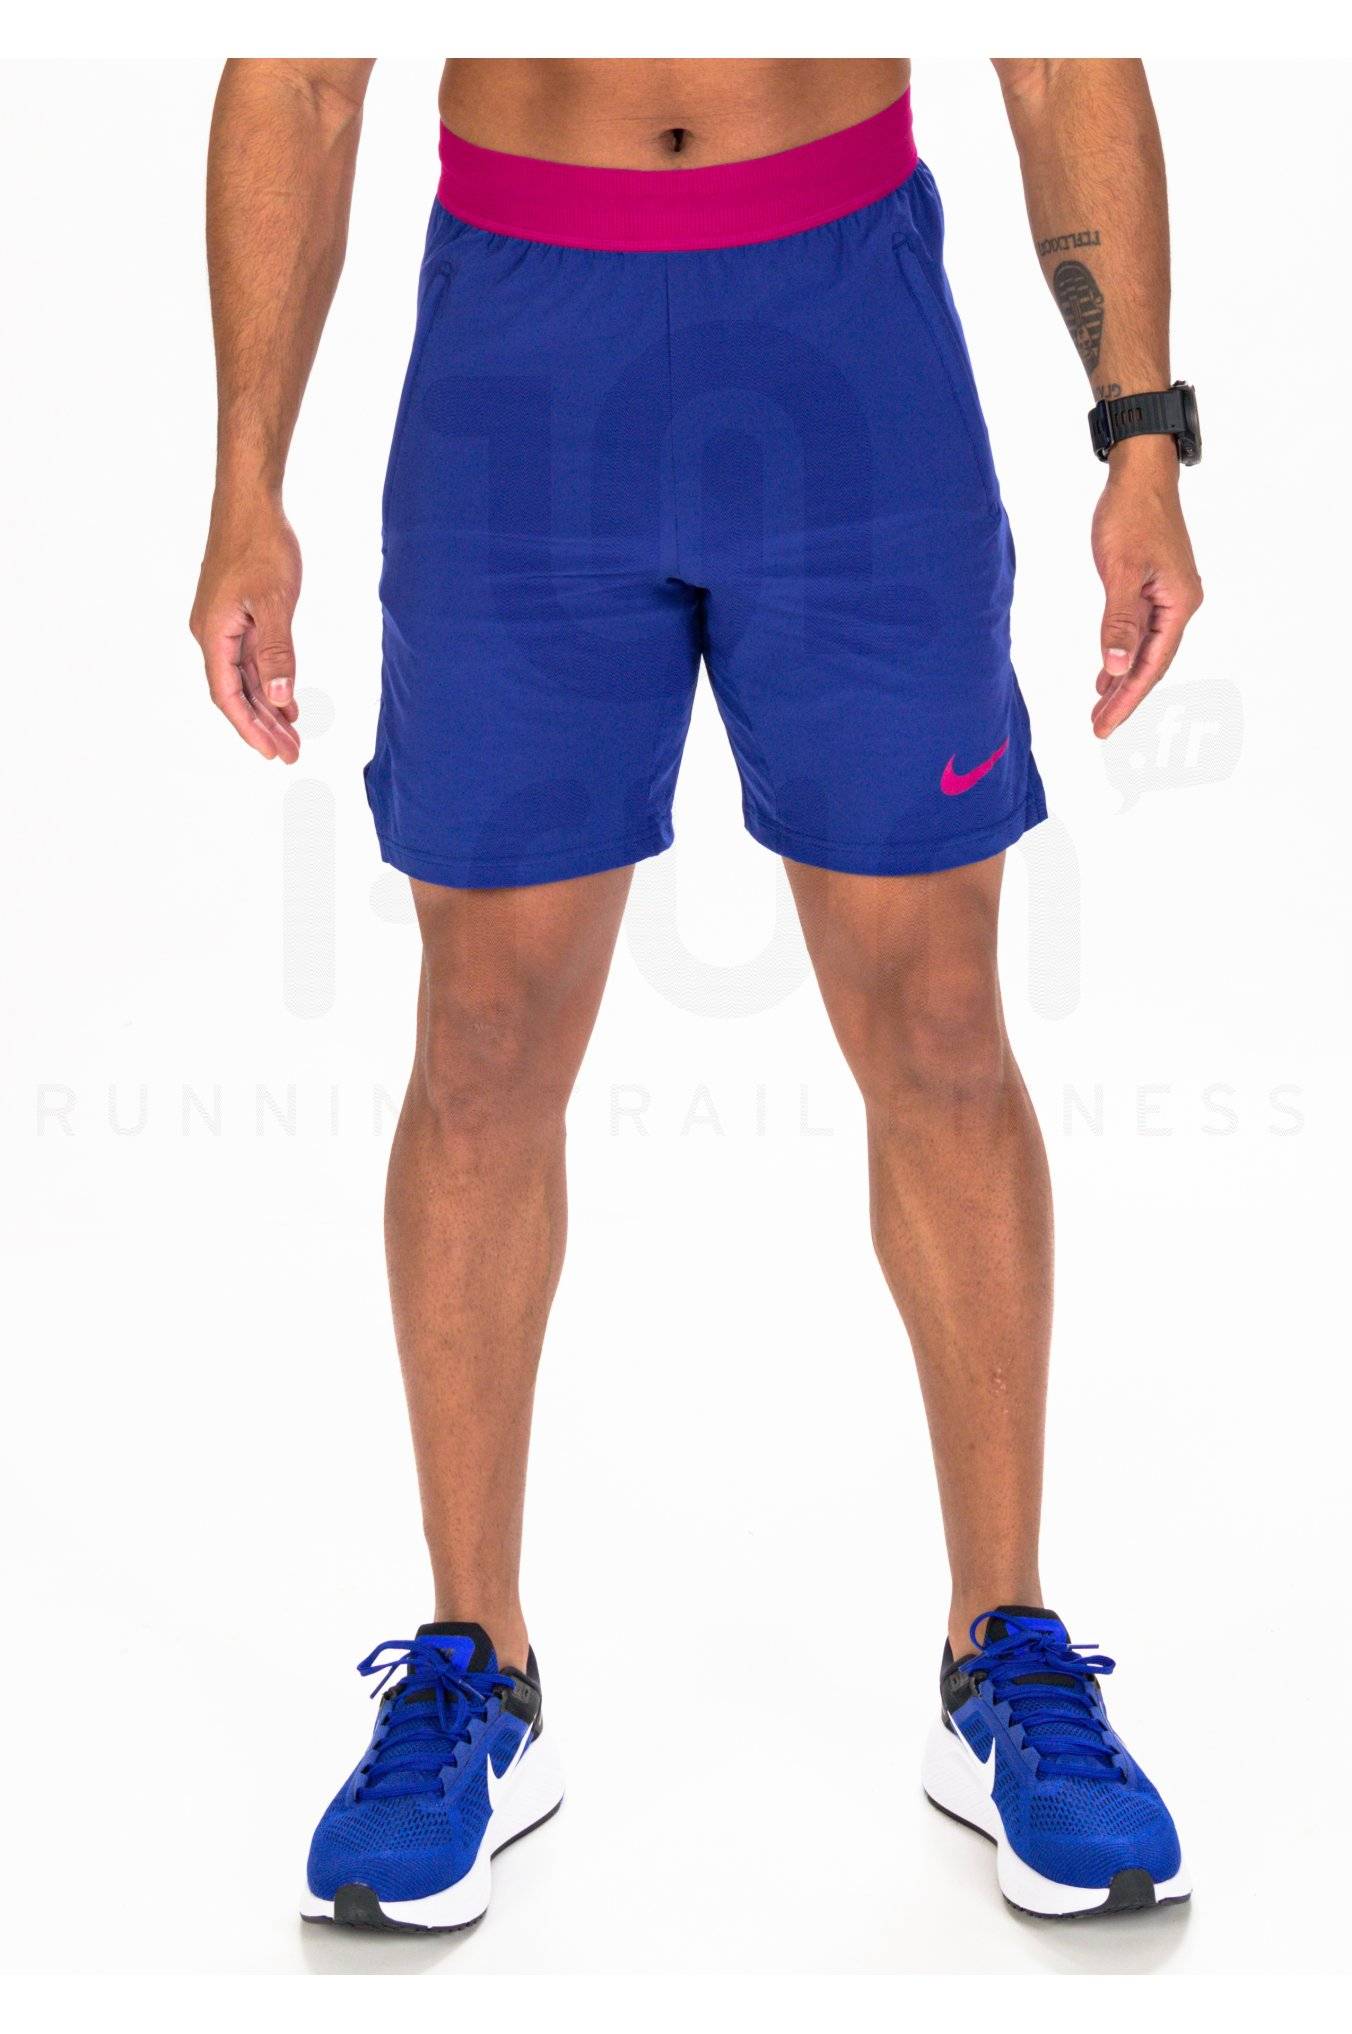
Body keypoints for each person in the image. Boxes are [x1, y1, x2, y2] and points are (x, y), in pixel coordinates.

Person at [191, 58, 1203, 1930]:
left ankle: (1002, 1651)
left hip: (842, 328)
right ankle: (477, 1673)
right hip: (523, 344)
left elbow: (1063, 50)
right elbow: (303, 75)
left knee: (938, 1021)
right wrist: (247, 478)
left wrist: (1139, 434)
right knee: (482, 1038)